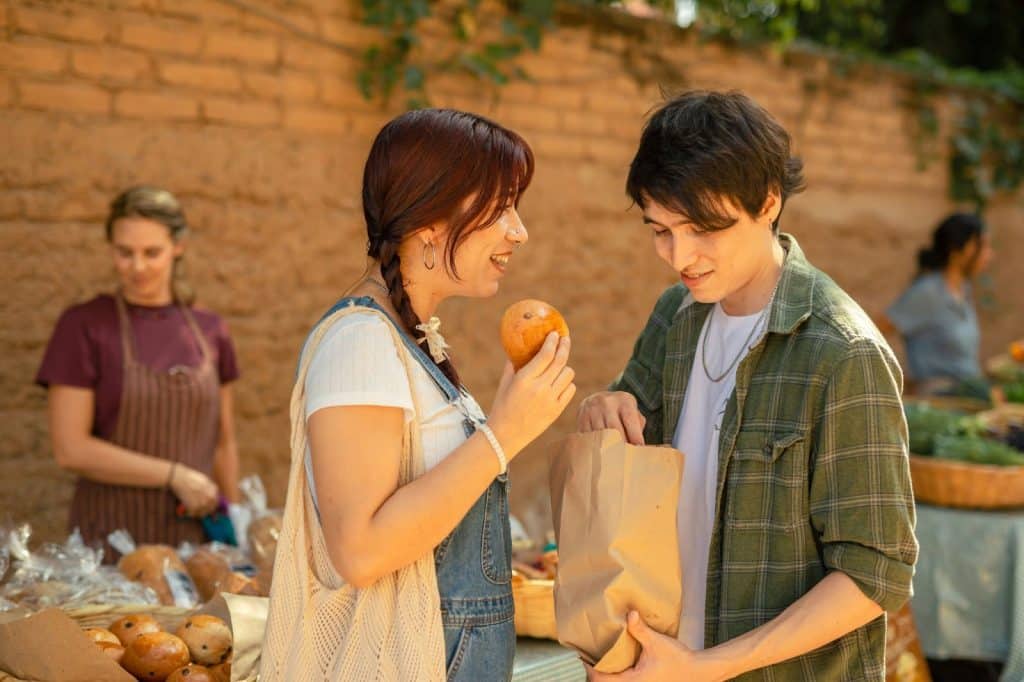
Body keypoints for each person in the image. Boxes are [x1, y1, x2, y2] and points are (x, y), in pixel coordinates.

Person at [577, 90, 917, 681]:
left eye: (703, 229)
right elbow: (634, 435)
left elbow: (875, 573)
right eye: (660, 230)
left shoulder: (843, 354)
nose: (680, 256)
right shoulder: (674, 317)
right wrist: (607, 404)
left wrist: (707, 667)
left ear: (767, 202)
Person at [260, 109, 575, 681]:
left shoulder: (408, 338)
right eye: (501, 207)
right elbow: (361, 552)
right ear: (430, 223)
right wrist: (503, 434)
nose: (519, 231)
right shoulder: (361, 343)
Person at [36, 186, 241, 559]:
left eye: (152, 253)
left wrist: (238, 529)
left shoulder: (210, 331)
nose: (138, 267)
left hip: (197, 551)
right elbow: (71, 450)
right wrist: (174, 475)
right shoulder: (84, 326)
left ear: (178, 247)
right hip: (109, 549)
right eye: (124, 253)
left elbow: (223, 443)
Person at [880, 213, 994, 398]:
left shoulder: (963, 289)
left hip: (967, 397)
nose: (988, 255)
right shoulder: (927, 292)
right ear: (957, 250)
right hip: (939, 402)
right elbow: (875, 330)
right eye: (982, 246)